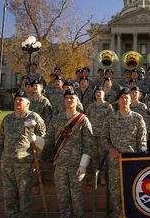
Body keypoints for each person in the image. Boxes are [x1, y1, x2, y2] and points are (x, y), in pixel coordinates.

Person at [39, 89, 93, 218]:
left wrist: (83, 165)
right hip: (60, 165)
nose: (69, 100)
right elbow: (49, 141)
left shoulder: (83, 120)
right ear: (64, 100)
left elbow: (89, 144)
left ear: (77, 101)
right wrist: (36, 140)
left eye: (72, 98)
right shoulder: (57, 119)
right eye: (67, 97)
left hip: (77, 165)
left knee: (77, 198)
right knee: (62, 198)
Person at [0, 91, 46, 218]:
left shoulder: (34, 117)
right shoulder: (7, 119)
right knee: (9, 193)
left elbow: (43, 141)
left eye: (21, 100)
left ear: (28, 103)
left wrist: (37, 160)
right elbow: (0, 140)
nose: (17, 102)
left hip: (25, 163)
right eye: (16, 100)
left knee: (24, 194)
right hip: (7, 163)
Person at [101, 88, 147, 218]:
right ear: (118, 101)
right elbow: (104, 138)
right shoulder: (111, 119)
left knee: (132, 191)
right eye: (122, 98)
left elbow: (142, 142)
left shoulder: (138, 118)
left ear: (131, 100)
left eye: (126, 98)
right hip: (115, 162)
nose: (124, 100)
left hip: (132, 163)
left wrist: (139, 158)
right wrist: (110, 149)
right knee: (116, 193)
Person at [86, 86, 114, 185]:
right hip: (92, 135)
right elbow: (87, 120)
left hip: (103, 135)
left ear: (104, 93)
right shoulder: (90, 106)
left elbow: (111, 121)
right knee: (94, 157)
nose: (98, 94)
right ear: (94, 94)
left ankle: (102, 177)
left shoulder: (108, 106)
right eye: (97, 92)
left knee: (103, 157)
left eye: (100, 92)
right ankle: (94, 177)